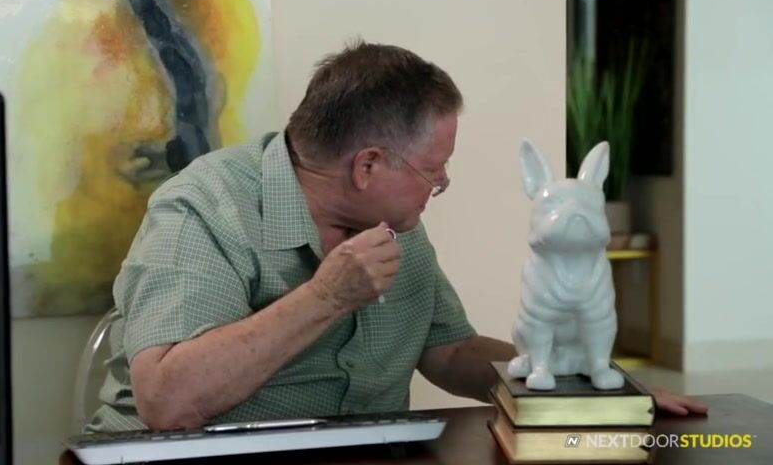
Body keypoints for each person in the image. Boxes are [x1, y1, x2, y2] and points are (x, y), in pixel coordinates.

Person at [88, 41, 706, 432]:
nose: (443, 182)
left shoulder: (399, 226)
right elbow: (168, 403)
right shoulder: (203, 207)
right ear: (368, 166)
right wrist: (325, 296)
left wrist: (588, 385)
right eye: (434, 169)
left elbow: (449, 351)